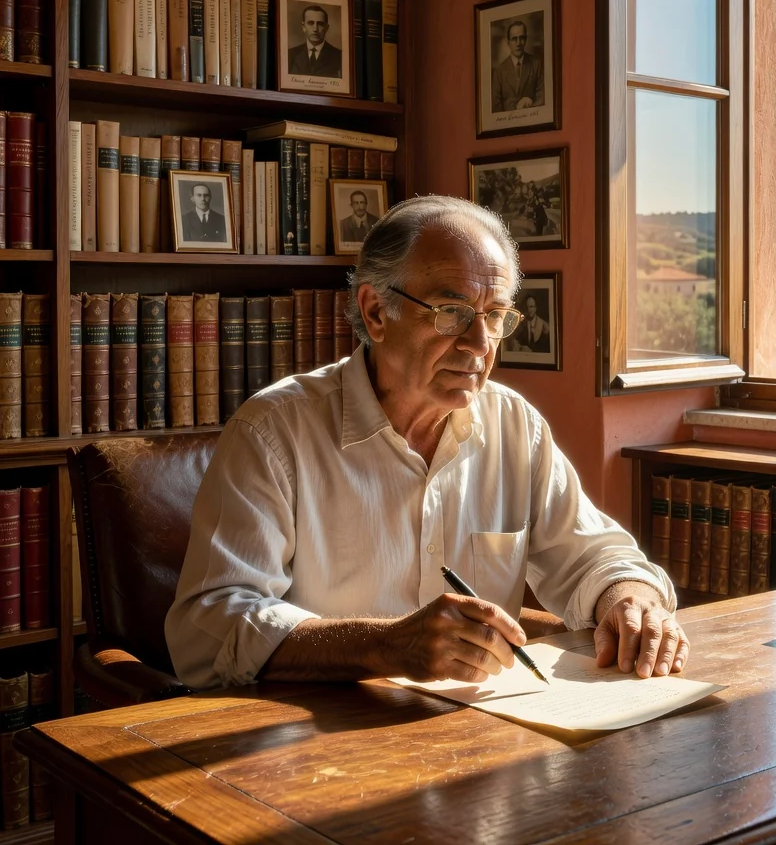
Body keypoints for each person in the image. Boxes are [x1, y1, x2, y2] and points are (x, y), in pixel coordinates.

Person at [166, 196, 685, 690]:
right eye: (451, 312)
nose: (480, 345)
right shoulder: (274, 432)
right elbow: (208, 625)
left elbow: (592, 555)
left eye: (496, 317)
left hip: (474, 734)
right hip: (312, 744)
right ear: (375, 312)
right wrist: (381, 646)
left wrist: (628, 595)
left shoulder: (514, 426)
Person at [491, 20, 543, 113]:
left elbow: (542, 97)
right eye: (514, 39)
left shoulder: (536, 64)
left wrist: (531, 104)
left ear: (526, 39)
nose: (518, 43)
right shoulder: (499, 71)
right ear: (508, 41)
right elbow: (496, 107)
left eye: (521, 38)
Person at [287, 5, 343, 78]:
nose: (315, 29)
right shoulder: (290, 55)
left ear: (326, 28)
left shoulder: (339, 56)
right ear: (303, 27)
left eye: (320, 24)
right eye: (310, 23)